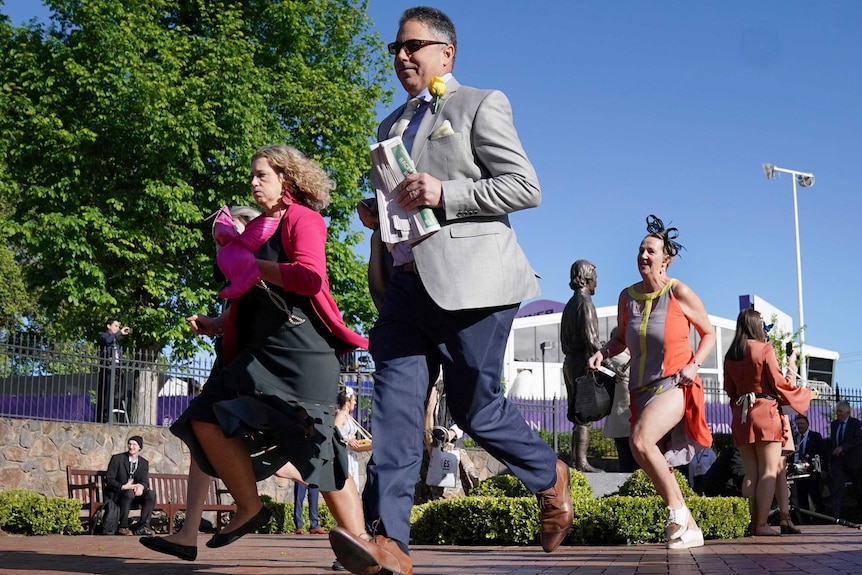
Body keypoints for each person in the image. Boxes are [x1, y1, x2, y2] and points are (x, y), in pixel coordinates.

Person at [330, 7, 573, 575]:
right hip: (406, 289)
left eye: (413, 45)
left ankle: (549, 474)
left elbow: (524, 187)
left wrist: (446, 191)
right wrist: (380, 220)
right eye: (396, 47)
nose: (401, 56)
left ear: (447, 53)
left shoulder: (481, 104)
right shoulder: (390, 126)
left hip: (475, 286)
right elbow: (402, 205)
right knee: (392, 413)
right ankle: (390, 543)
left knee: (474, 407)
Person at [140, 145, 369, 564]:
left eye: (262, 175)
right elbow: (253, 301)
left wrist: (253, 267)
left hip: (302, 355)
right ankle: (250, 507)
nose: (253, 182)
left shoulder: (305, 219)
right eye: (253, 175)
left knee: (319, 451)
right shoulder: (259, 227)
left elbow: (310, 276)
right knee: (204, 416)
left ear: (287, 178)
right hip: (261, 355)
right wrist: (220, 323)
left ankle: (363, 548)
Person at [588, 215, 715, 550]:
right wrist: (603, 352)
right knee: (648, 457)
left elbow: (709, 334)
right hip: (640, 391)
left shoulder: (679, 292)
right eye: (641, 250)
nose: (644, 256)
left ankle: (675, 510)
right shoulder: (626, 297)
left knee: (641, 441)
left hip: (676, 384)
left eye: (651, 251)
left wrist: (694, 363)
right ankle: (691, 528)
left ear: (665, 259)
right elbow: (621, 339)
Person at [722, 308, 815, 536]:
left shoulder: (731, 356)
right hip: (765, 412)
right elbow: (778, 383)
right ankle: (762, 524)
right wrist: (804, 395)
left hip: (742, 415)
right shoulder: (764, 349)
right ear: (756, 325)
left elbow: (730, 391)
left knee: (751, 473)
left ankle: (752, 523)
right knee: (769, 472)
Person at [560, 259, 604, 473]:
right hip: (582, 362)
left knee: (577, 415)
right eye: (595, 278)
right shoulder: (585, 303)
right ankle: (582, 462)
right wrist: (607, 357)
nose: (597, 282)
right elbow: (592, 339)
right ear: (587, 279)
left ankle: (576, 461)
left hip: (569, 362)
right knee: (583, 415)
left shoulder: (570, 304)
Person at [601, 328, 638, 473]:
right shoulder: (623, 360)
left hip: (616, 419)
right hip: (629, 416)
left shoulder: (608, 362)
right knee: (634, 462)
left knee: (624, 460)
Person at [104, 435, 156, 536]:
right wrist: (123, 486)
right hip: (118, 493)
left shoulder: (143, 463)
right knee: (128, 493)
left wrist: (141, 486)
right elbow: (109, 479)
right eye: (130, 444)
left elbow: (144, 481)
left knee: (151, 494)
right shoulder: (117, 459)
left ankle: (143, 526)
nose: (131, 447)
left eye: (134, 445)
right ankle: (123, 527)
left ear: (139, 447)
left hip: (133, 494)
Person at [828, 400, 862, 518]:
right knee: (836, 490)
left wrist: (843, 447)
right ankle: (835, 519)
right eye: (837, 411)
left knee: (859, 490)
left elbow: (858, 440)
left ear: (848, 412)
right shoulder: (834, 424)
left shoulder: (856, 424)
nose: (838, 413)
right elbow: (832, 443)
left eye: (841, 411)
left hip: (854, 463)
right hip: (838, 463)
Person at [96, 318, 131, 423]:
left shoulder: (116, 340)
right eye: (115, 326)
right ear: (108, 326)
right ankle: (105, 417)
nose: (118, 328)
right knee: (107, 391)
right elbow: (107, 341)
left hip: (116, 368)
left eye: (118, 326)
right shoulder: (104, 336)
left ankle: (117, 407)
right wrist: (120, 333)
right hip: (108, 367)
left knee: (120, 388)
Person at [792, 414, 826, 515]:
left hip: (812, 471)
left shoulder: (815, 436)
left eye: (802, 423)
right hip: (798, 471)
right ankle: (806, 518)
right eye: (798, 424)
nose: (800, 426)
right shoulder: (795, 437)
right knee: (801, 495)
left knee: (814, 493)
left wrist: (824, 469)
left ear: (808, 424)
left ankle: (821, 515)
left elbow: (823, 453)